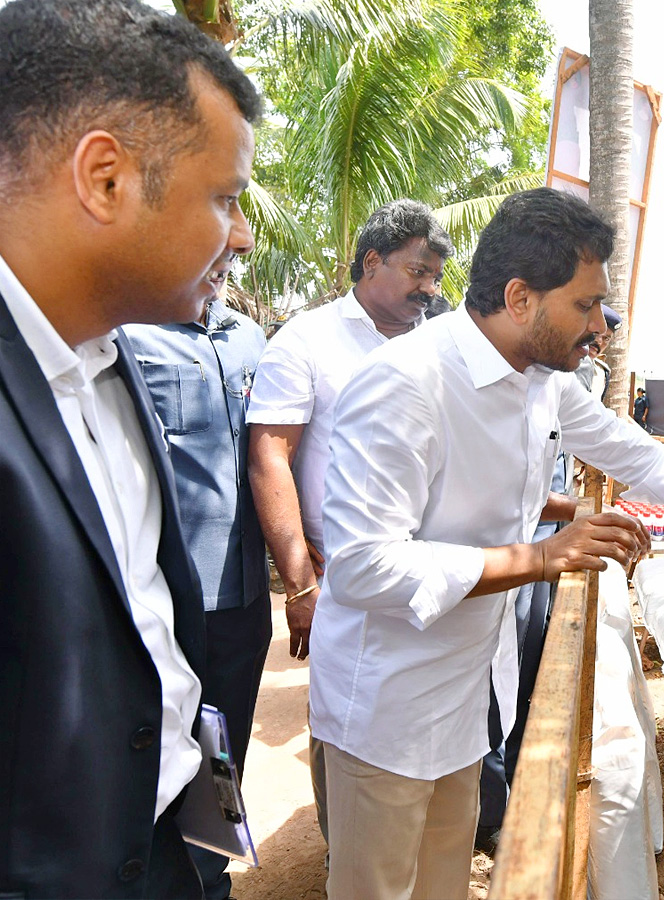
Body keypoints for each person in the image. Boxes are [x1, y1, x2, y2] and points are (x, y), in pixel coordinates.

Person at [308, 186, 664, 900]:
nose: (599, 327)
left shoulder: (537, 380)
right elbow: (364, 569)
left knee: (439, 883)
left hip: (465, 693)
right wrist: (545, 556)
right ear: (521, 298)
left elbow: (631, 449)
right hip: (387, 703)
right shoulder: (408, 383)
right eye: (586, 305)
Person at [0, 1, 259, 895]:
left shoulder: (114, 363)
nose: (238, 236)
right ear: (105, 178)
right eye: (223, 198)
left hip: (160, 852)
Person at [246, 199, 453, 844]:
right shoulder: (306, 342)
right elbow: (270, 458)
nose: (430, 289)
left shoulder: (438, 346)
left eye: (435, 276)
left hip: (434, 569)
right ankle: (347, 858)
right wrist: (302, 585)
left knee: (420, 721)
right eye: (418, 272)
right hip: (342, 578)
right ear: (372, 261)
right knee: (345, 720)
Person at [125, 275, 271, 900]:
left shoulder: (251, 342)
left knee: (223, 745)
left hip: (245, 593)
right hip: (169, 594)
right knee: (159, 745)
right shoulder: (130, 337)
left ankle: (210, 879)